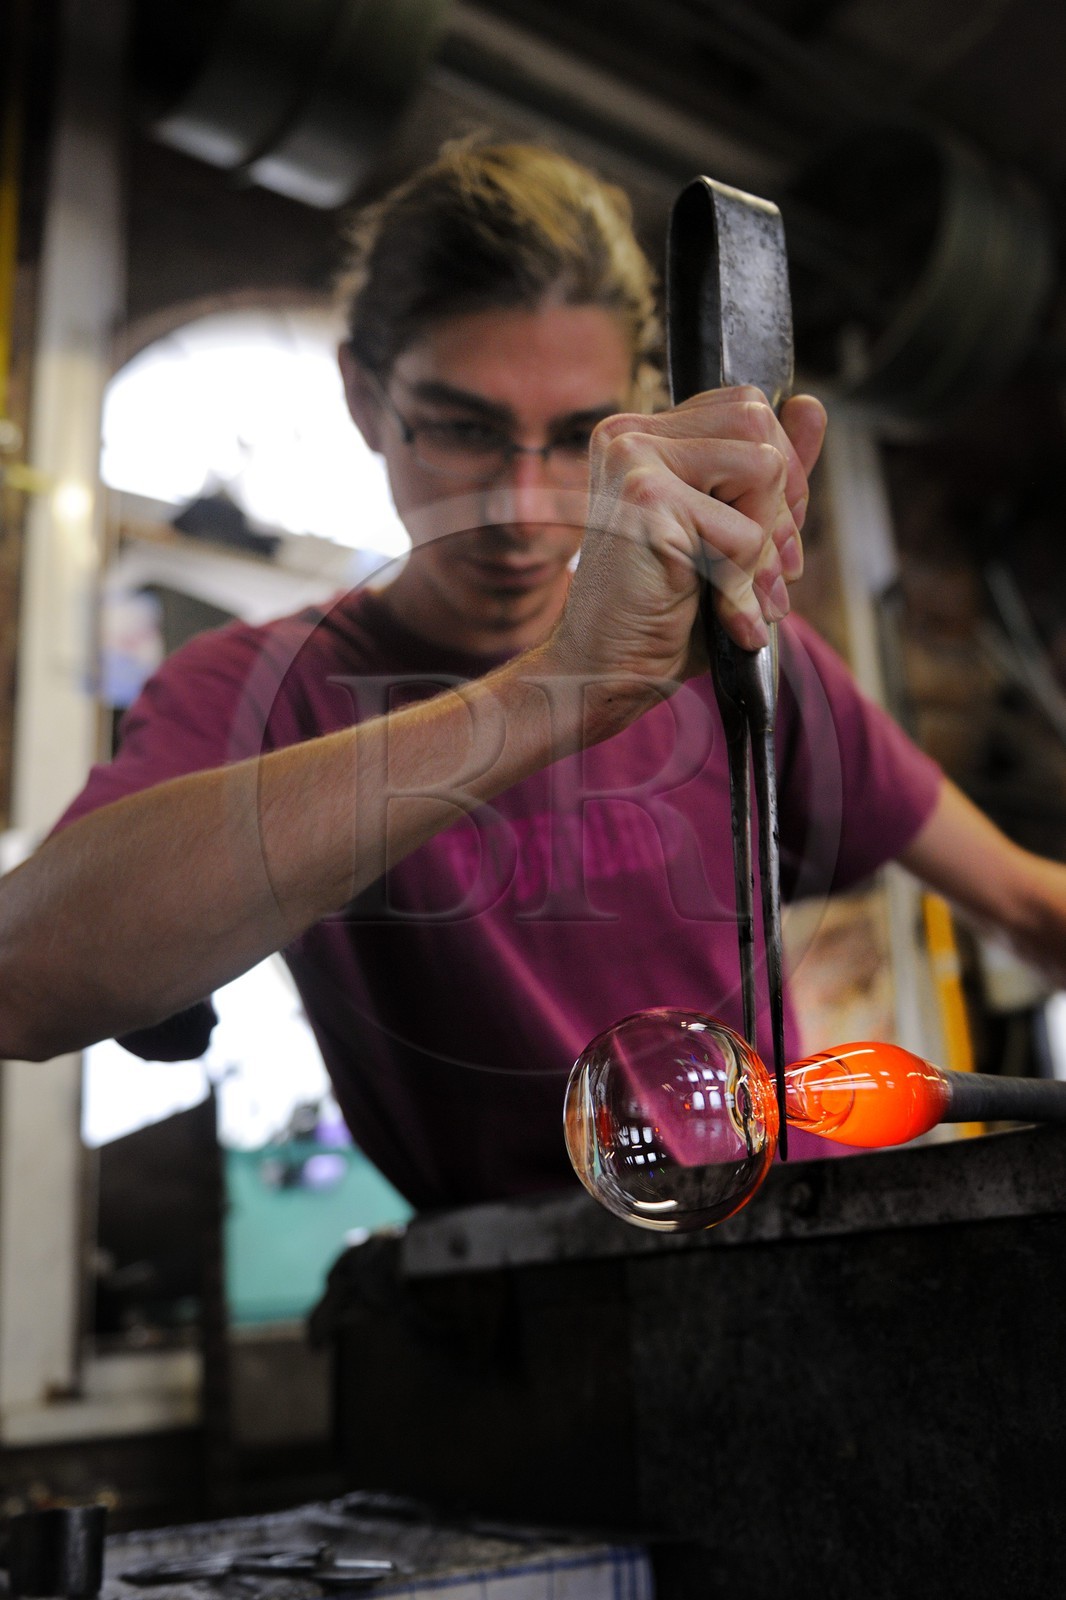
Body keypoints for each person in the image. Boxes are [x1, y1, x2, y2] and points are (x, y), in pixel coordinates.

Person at [1, 142, 1065, 1208]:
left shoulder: (735, 645)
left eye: (575, 438)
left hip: (795, 1233)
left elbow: (1021, 900)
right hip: (515, 1309)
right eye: (464, 428)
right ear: (365, 398)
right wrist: (555, 689)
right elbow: (27, 974)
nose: (520, 505)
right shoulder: (259, 688)